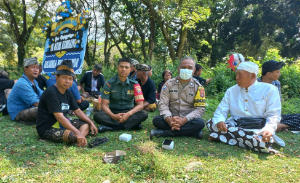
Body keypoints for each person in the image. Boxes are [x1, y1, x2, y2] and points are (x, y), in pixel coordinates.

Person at [207, 61, 283, 153]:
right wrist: (220, 120)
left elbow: (273, 114)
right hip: (235, 126)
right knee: (211, 123)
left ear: (253, 76)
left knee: (263, 141)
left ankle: (223, 137)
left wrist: (268, 129)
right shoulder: (231, 91)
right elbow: (221, 110)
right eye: (236, 74)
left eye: (240, 74)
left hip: (257, 129)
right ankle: (248, 141)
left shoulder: (270, 89)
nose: (237, 78)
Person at [36, 60, 98, 147]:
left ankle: (79, 140)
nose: (68, 81)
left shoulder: (68, 92)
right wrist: (77, 132)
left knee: (86, 125)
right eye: (64, 77)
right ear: (57, 78)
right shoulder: (51, 93)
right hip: (48, 127)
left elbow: (78, 111)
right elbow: (60, 118)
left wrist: (91, 123)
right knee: (72, 135)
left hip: (63, 124)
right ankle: (78, 139)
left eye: (70, 79)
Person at [151, 57, 206, 139]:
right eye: (183, 67)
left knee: (200, 123)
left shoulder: (199, 87)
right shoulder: (168, 84)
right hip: (171, 118)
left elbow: (200, 109)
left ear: (194, 70)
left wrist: (184, 120)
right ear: (178, 68)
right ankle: (192, 133)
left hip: (188, 119)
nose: (186, 70)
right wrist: (168, 119)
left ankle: (165, 133)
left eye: (190, 68)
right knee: (156, 120)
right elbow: (163, 104)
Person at [93, 58, 148, 132]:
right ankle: (132, 125)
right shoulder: (109, 84)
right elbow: (104, 105)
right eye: (121, 67)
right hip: (113, 112)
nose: (124, 69)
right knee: (97, 115)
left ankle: (112, 127)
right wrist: (113, 116)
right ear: (117, 68)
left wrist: (128, 114)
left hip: (129, 112)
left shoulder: (135, 84)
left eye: (126, 67)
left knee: (144, 114)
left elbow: (140, 105)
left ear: (130, 69)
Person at [258, 60, 300, 132]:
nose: (279, 74)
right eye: (277, 72)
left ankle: (280, 125)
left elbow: (278, 102)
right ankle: (278, 126)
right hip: (258, 118)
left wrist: (275, 119)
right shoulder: (255, 84)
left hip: (273, 116)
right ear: (268, 74)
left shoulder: (276, 83)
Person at [7, 57, 43, 124]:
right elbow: (36, 103)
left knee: (48, 107)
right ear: (25, 69)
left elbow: (43, 95)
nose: (36, 70)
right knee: (43, 109)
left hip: (29, 108)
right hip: (18, 112)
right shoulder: (22, 83)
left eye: (37, 68)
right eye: (32, 67)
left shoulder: (34, 82)